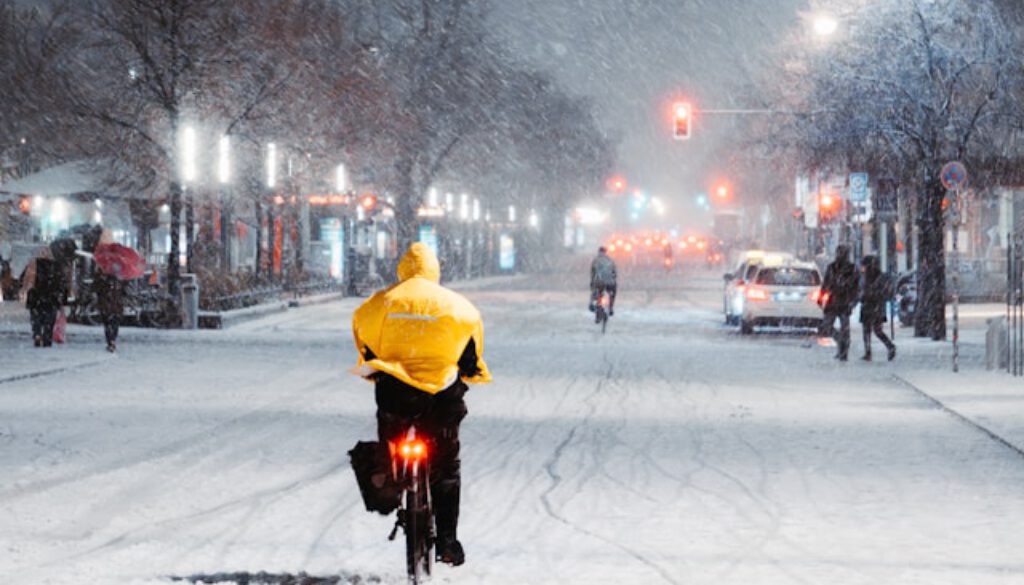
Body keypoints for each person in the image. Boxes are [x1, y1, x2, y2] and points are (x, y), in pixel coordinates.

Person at [351, 243, 492, 567]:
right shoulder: (459, 306)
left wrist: (378, 363)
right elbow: (471, 354)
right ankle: (447, 541)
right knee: (446, 464)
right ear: (434, 271)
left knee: (391, 437)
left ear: (402, 270)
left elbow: (363, 337)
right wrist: (467, 369)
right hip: (441, 395)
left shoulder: (382, 302)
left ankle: (389, 476)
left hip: (397, 392)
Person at [818, 245, 859, 361]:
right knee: (828, 326)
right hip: (834, 300)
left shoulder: (851, 269)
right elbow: (825, 284)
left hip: (843, 301)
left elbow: (855, 287)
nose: (840, 255)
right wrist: (821, 298)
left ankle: (843, 350)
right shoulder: (832, 267)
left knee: (844, 328)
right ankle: (841, 343)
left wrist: (853, 300)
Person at [25, 252, 67, 347]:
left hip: (36, 295)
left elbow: (28, 279)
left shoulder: (34, 264)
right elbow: (62, 283)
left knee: (36, 318)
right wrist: (63, 299)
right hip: (51, 296)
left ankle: (37, 334)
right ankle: (47, 337)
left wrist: (26, 289)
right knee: (49, 319)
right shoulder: (57, 266)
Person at [859, 255, 896, 361]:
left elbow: (877, 291)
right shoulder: (869, 277)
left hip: (873, 305)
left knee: (874, 330)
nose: (863, 269)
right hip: (872, 306)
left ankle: (886, 347)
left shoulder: (876, 278)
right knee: (871, 330)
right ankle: (870, 351)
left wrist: (867, 295)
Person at [93, 266, 124, 352]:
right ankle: (112, 340)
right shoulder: (118, 276)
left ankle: (111, 341)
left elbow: (96, 288)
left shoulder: (103, 276)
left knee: (109, 323)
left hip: (108, 303)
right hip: (113, 303)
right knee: (113, 322)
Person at [589, 246, 617, 318]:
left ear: (599, 252)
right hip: (610, 282)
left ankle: (592, 303)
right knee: (612, 293)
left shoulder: (596, 260)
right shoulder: (610, 260)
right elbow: (614, 272)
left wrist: (592, 282)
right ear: (605, 252)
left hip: (599, 282)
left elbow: (593, 273)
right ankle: (610, 307)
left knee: (596, 290)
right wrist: (613, 280)